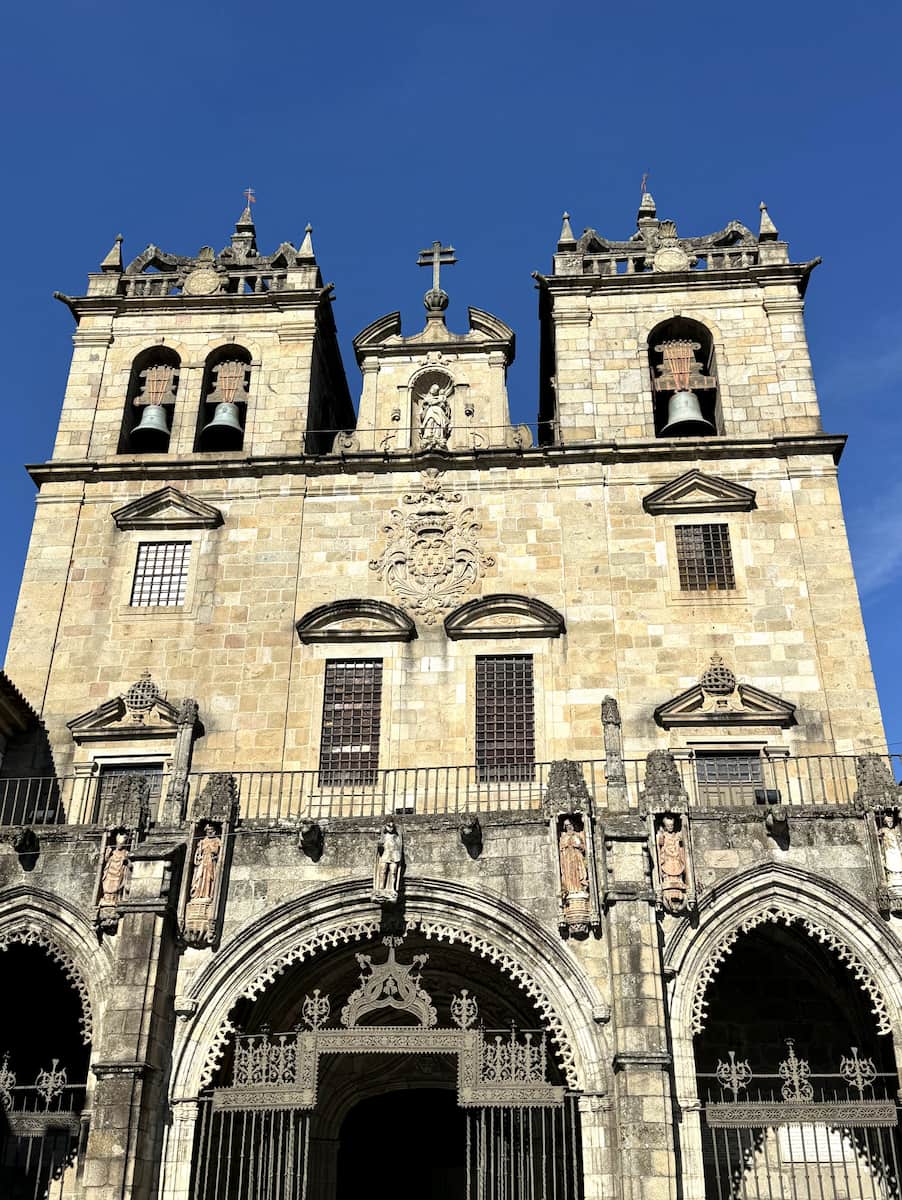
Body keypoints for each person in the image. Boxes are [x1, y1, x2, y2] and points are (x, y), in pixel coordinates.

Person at [657, 814, 687, 911]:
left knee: (677, 868)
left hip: (676, 858)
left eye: (672, 825)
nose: (670, 827)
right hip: (667, 858)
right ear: (665, 826)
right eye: (668, 825)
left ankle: (679, 880)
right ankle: (667, 879)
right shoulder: (663, 835)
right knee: (668, 868)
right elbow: (660, 846)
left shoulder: (677, 835)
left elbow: (681, 844)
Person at [559, 818, 589, 900]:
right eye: (567, 825)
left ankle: (580, 889)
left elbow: (583, 847)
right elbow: (561, 849)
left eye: (570, 825)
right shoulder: (564, 837)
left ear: (572, 825)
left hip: (577, 858)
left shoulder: (577, 836)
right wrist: (566, 847)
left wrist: (577, 846)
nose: (569, 827)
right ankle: (570, 890)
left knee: (578, 872)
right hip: (567, 859)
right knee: (569, 873)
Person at [191, 823, 222, 901]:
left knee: (209, 877)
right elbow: (198, 853)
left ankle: (207, 894)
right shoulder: (203, 841)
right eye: (208, 830)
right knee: (200, 876)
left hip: (211, 861)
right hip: (203, 861)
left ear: (214, 831)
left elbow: (218, 852)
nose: (210, 832)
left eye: (211, 830)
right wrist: (198, 856)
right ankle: (198, 894)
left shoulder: (217, 840)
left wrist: (213, 853)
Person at [373, 819, 403, 899]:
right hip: (385, 854)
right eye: (389, 826)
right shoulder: (384, 836)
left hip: (393, 855)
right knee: (383, 871)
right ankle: (381, 887)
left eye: (392, 826)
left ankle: (392, 888)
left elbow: (399, 846)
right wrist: (379, 845)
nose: (391, 828)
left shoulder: (396, 836)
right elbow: (380, 846)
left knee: (393, 872)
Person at [100, 830, 130, 906]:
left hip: (119, 873)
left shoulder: (126, 852)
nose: (119, 845)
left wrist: (126, 860)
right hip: (110, 872)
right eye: (118, 844)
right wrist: (107, 855)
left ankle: (114, 898)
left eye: (121, 844)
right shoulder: (112, 852)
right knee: (106, 885)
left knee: (116, 886)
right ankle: (106, 898)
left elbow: (129, 864)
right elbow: (107, 860)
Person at [878, 810, 902, 887]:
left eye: (891, 822)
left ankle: (898, 877)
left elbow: (899, 839)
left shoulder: (895, 829)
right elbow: (878, 836)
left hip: (896, 849)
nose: (890, 823)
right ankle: (891, 877)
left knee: (898, 861)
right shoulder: (883, 830)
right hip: (888, 849)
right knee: (889, 861)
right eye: (888, 822)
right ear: (886, 822)